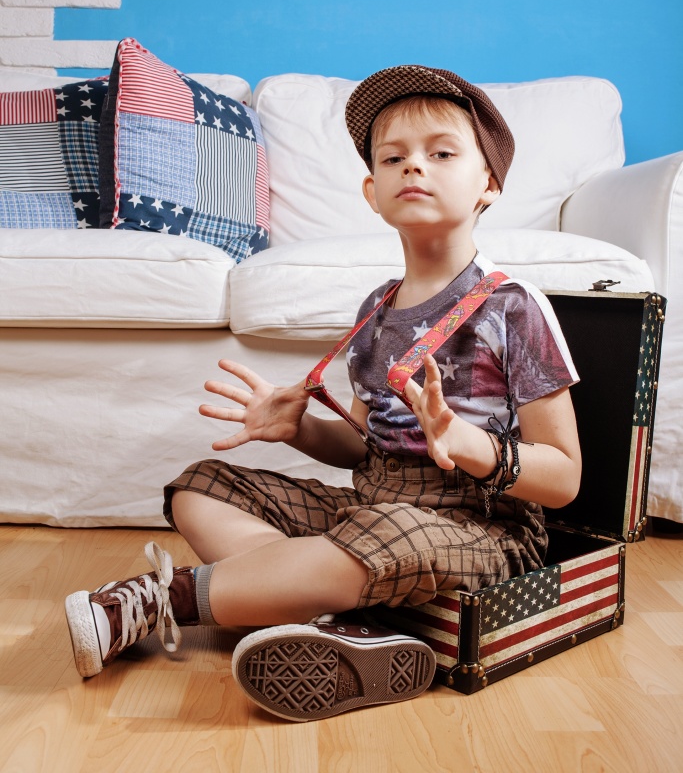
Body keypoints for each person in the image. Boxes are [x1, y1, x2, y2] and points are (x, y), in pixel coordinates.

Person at [65, 65, 581, 721]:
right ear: (372, 192)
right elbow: (362, 448)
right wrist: (299, 430)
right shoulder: (376, 309)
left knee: (383, 531)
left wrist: (467, 443)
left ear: (489, 183)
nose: (413, 167)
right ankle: (333, 621)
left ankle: (164, 599)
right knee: (201, 487)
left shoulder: (512, 307)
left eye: (442, 153)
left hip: (482, 525)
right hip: (371, 508)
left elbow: (563, 478)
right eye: (392, 158)